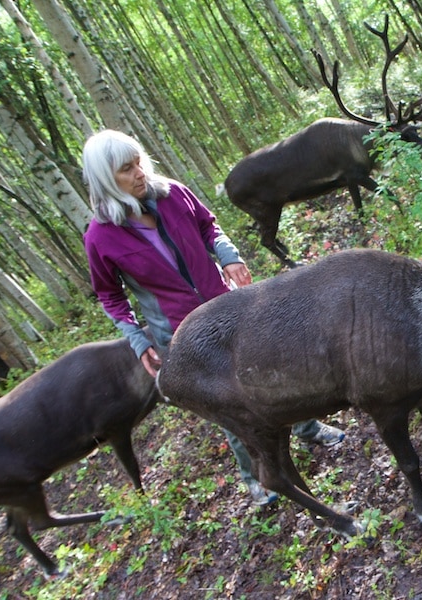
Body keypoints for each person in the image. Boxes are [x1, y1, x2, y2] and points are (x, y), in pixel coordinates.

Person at [81, 129, 344, 505]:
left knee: (278, 371)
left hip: (229, 308)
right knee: (233, 405)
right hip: (182, 335)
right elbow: (110, 295)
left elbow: (209, 226)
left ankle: (307, 426)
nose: (140, 173)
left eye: (139, 161)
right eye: (127, 169)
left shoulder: (171, 193)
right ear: (107, 179)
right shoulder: (100, 238)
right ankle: (255, 478)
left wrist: (229, 255)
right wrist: (138, 339)